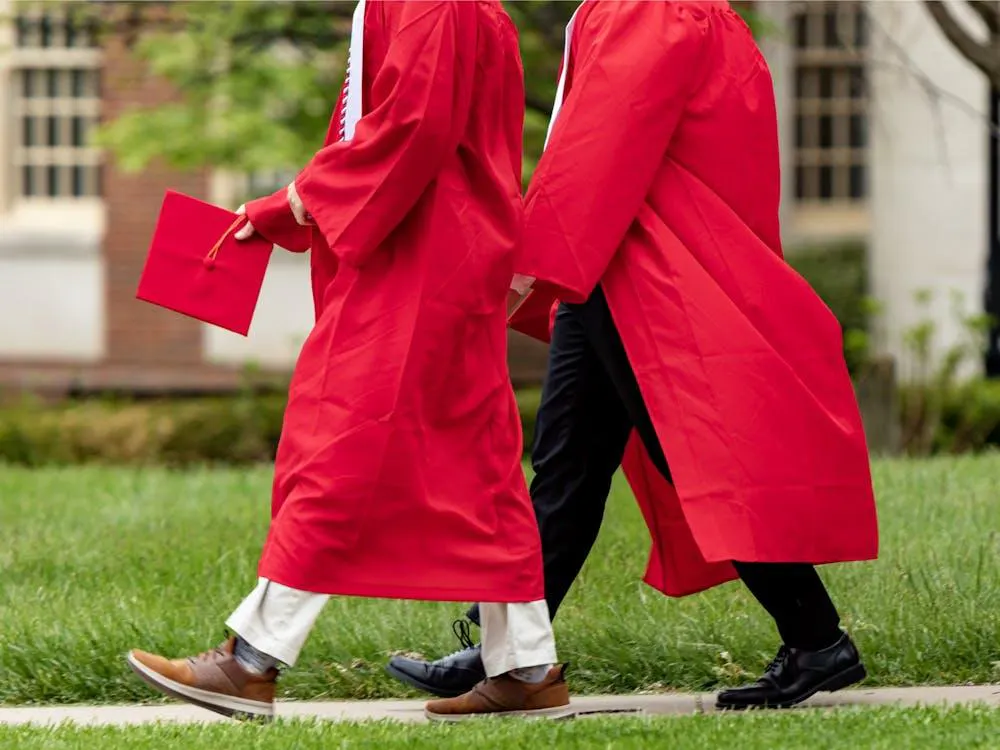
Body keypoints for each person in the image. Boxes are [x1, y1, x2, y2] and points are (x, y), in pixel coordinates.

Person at [388, 0, 879, 712]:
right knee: (567, 464)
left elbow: (601, 140)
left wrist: (528, 258)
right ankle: (510, 654)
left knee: (689, 457)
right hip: (612, 263)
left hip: (642, 265)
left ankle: (815, 636)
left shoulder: (651, 10)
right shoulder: (666, 11)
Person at [125, 0, 572, 723]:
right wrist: (291, 205)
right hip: (454, 247)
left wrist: (298, 200)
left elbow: (411, 126)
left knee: (340, 440)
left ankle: (251, 661)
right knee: (480, 462)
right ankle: (527, 666)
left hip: (421, 255)